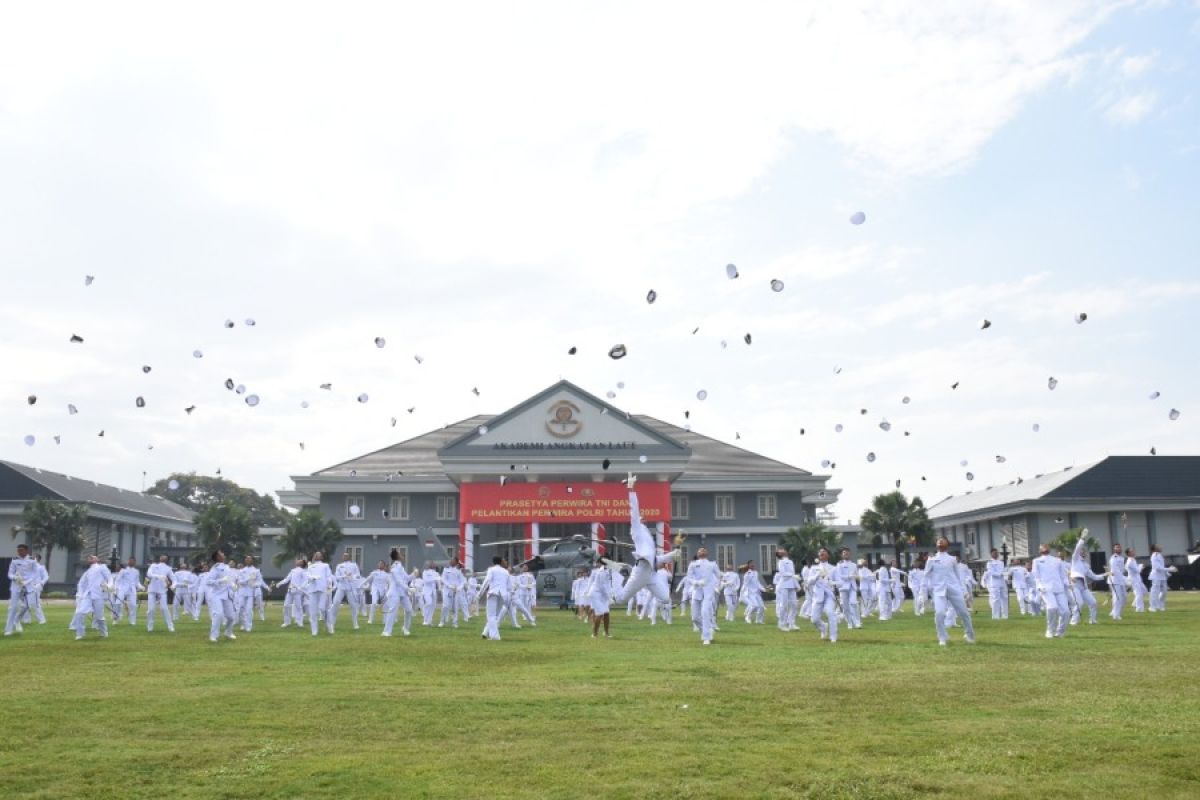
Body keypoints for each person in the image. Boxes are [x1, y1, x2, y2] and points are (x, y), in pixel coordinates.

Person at [612, 473, 679, 608]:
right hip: (641, 571)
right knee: (620, 600)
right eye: (641, 517)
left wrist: (671, 556)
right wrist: (631, 489)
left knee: (666, 598)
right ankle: (615, 577)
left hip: (651, 573)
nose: (643, 517)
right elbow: (634, 509)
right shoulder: (636, 528)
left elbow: (655, 560)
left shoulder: (647, 536)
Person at [924, 538, 975, 647]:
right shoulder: (931, 560)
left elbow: (958, 576)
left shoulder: (952, 559)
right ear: (936, 544)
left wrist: (964, 591)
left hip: (954, 589)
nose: (940, 542)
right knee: (939, 613)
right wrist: (923, 592)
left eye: (943, 540)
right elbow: (926, 576)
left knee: (964, 613)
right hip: (938, 590)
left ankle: (970, 635)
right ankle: (942, 637)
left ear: (947, 545)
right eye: (938, 540)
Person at [69, 555, 113, 640]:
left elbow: (110, 578)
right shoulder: (88, 572)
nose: (90, 558)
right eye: (89, 558)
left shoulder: (102, 567)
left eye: (92, 557)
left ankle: (104, 633)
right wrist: (80, 594)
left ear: (97, 559)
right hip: (88, 595)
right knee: (79, 613)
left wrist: (108, 586)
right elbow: (81, 584)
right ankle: (80, 634)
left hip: (98, 595)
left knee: (99, 617)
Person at [1031, 544, 1070, 639]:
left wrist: (1068, 583)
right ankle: (1050, 630)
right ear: (1039, 551)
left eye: (1046, 547)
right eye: (1042, 548)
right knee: (1052, 608)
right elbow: (1036, 576)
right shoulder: (1036, 561)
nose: (1045, 549)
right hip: (1046, 589)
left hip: (1058, 588)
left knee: (1066, 612)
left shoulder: (1057, 561)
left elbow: (1063, 576)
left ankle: (1060, 632)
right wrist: (1039, 586)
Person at [685, 547, 722, 645]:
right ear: (697, 554)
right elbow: (689, 578)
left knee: (705, 612)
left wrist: (718, 586)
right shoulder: (693, 564)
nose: (702, 551)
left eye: (704, 550)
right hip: (697, 591)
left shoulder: (712, 564)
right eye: (700, 550)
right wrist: (697, 582)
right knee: (695, 617)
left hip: (708, 592)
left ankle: (706, 637)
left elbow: (719, 576)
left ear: (707, 553)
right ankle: (707, 631)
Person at [1068, 529, 1104, 625]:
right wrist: (1082, 538)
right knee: (1079, 603)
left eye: (1085, 551)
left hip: (1083, 586)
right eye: (1082, 551)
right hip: (1074, 584)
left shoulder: (1086, 565)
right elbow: (1077, 548)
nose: (1083, 552)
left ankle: (1092, 620)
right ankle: (1074, 621)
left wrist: (1106, 574)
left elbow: (1095, 577)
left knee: (1093, 603)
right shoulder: (1075, 559)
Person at [202, 550, 238, 643]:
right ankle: (213, 635)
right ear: (218, 557)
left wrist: (233, 585)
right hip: (216, 595)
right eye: (221, 553)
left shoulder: (226, 567)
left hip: (227, 595)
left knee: (231, 617)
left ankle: (228, 632)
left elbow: (228, 579)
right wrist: (221, 580)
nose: (223, 554)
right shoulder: (215, 568)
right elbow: (208, 582)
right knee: (218, 615)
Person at [804, 549, 838, 643]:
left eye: (824, 551)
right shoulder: (814, 568)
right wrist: (816, 576)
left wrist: (833, 582)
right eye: (820, 552)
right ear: (818, 555)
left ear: (828, 555)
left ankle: (833, 636)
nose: (821, 553)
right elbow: (809, 582)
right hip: (817, 595)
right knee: (814, 619)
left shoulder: (833, 568)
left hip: (829, 595)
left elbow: (840, 582)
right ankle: (823, 627)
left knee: (830, 613)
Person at [5, 543, 39, 635]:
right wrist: (16, 578)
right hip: (16, 586)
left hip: (28, 586)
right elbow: (10, 574)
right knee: (13, 607)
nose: (19, 552)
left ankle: (17, 620)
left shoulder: (32, 560)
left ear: (26, 551)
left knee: (27, 606)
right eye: (18, 550)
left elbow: (35, 574)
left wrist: (27, 582)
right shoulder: (14, 560)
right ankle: (8, 630)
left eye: (21, 550)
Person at [476, 555, 511, 641]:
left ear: (493, 562)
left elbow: (487, 581)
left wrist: (480, 594)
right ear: (500, 562)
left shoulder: (491, 570)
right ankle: (486, 632)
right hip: (503, 594)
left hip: (493, 593)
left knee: (491, 615)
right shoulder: (506, 572)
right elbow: (509, 586)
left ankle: (495, 636)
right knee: (494, 616)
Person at [381, 548, 414, 637]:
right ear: (397, 556)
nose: (402, 554)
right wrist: (408, 589)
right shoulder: (395, 566)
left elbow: (406, 578)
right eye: (400, 553)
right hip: (395, 592)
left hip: (402, 592)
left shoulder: (400, 566)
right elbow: (398, 581)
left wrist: (414, 574)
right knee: (392, 611)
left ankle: (405, 628)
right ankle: (386, 631)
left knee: (409, 610)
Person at [329, 552, 363, 633]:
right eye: (343, 556)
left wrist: (352, 577)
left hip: (350, 587)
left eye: (346, 556)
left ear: (349, 557)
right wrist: (344, 576)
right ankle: (332, 623)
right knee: (336, 602)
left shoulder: (354, 565)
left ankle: (355, 623)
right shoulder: (339, 565)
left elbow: (358, 575)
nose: (345, 557)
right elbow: (336, 577)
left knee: (353, 605)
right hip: (341, 587)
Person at [303, 551, 335, 636]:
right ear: (314, 556)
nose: (317, 556)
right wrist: (312, 578)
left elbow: (329, 576)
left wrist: (328, 586)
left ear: (322, 557)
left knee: (322, 609)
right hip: (313, 590)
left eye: (319, 555)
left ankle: (329, 626)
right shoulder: (311, 566)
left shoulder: (325, 565)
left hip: (323, 589)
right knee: (313, 611)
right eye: (316, 555)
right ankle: (314, 631)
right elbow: (307, 577)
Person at [145, 555, 176, 633]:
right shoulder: (153, 565)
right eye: (162, 556)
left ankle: (170, 626)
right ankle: (150, 627)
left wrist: (173, 586)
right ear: (159, 558)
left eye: (165, 557)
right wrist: (159, 576)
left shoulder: (168, 568)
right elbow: (149, 574)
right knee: (151, 609)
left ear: (167, 559)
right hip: (152, 590)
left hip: (162, 591)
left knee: (164, 609)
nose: (163, 557)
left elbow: (174, 580)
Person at [273, 558, 307, 627]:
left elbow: (305, 581)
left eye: (299, 561)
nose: (297, 561)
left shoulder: (303, 571)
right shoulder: (292, 571)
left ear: (302, 564)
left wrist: (301, 587)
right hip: (290, 590)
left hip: (297, 591)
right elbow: (287, 579)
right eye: (297, 560)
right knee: (286, 606)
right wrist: (279, 583)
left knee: (298, 607)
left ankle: (299, 622)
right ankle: (287, 622)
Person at [833, 549, 861, 630]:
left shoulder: (854, 565)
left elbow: (856, 575)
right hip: (843, 587)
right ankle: (849, 622)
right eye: (844, 553)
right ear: (842, 555)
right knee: (845, 607)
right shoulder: (839, 565)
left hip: (852, 586)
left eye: (847, 553)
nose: (846, 554)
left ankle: (857, 622)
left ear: (850, 554)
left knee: (853, 603)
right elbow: (840, 576)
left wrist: (857, 577)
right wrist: (849, 576)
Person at [236, 556, 264, 632]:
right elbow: (239, 581)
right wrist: (247, 579)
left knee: (249, 609)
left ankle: (248, 626)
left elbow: (260, 581)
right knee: (240, 609)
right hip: (242, 592)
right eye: (246, 559)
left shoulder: (256, 571)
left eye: (249, 559)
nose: (247, 560)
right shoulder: (241, 570)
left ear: (252, 560)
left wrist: (254, 584)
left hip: (250, 592)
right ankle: (243, 624)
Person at [774, 548, 799, 631]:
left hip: (791, 585)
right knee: (784, 605)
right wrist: (792, 575)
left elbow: (793, 574)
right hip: (784, 585)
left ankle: (791, 623)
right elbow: (783, 573)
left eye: (783, 549)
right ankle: (781, 624)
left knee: (794, 605)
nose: (784, 550)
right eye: (781, 551)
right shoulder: (781, 562)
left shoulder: (790, 561)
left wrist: (796, 585)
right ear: (780, 555)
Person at [586, 562, 613, 638]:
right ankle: (594, 634)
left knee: (607, 613)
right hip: (596, 593)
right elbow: (602, 586)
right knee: (600, 613)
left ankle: (606, 633)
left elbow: (608, 584)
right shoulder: (599, 572)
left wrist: (611, 594)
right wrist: (609, 597)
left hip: (603, 594)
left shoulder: (607, 571)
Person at [114, 557, 144, 625]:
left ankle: (132, 621)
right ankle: (116, 619)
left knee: (133, 605)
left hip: (132, 590)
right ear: (128, 562)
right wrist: (116, 589)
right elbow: (117, 580)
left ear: (135, 562)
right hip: (122, 589)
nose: (131, 562)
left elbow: (137, 582)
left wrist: (142, 587)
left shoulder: (136, 571)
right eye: (130, 561)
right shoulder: (123, 570)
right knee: (118, 603)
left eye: (133, 561)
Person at [983, 549, 1009, 620]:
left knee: (1004, 598)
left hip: (1002, 581)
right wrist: (1000, 574)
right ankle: (995, 616)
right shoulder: (989, 563)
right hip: (994, 582)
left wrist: (1005, 574)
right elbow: (991, 572)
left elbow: (1004, 571)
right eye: (994, 553)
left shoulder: (1001, 562)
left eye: (997, 553)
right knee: (996, 599)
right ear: (991, 554)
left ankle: (1005, 616)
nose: (996, 554)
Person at [439, 560, 466, 628]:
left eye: (453, 561)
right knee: (445, 605)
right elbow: (443, 579)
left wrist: (459, 588)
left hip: (455, 591)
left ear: (456, 563)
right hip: (447, 590)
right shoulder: (446, 570)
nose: (451, 562)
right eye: (451, 561)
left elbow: (463, 581)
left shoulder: (458, 571)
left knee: (455, 607)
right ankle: (442, 621)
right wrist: (449, 586)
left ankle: (455, 622)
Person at [364, 560, 390, 624]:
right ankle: (370, 620)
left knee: (385, 606)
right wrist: (361, 586)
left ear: (384, 566)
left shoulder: (387, 575)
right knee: (374, 604)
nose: (380, 565)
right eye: (379, 564)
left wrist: (389, 591)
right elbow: (368, 579)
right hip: (375, 590)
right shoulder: (374, 572)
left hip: (384, 591)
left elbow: (390, 583)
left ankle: (384, 621)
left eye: (381, 564)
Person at [1107, 544, 1127, 621]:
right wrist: (1124, 578)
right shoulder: (1113, 558)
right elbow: (1115, 570)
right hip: (1114, 580)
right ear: (1114, 549)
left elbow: (1122, 569)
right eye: (1117, 547)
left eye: (1119, 547)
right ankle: (1116, 615)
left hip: (1120, 580)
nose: (1119, 548)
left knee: (1124, 597)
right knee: (1117, 597)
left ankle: (1114, 611)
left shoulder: (1121, 558)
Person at [1148, 544, 1169, 611]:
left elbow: (1162, 565)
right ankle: (1152, 606)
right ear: (1155, 549)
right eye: (1158, 546)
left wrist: (1167, 573)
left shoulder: (1159, 555)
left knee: (1164, 591)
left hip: (1162, 576)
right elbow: (1157, 567)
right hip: (1156, 576)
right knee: (1155, 591)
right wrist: (1169, 569)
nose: (1160, 547)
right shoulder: (1154, 556)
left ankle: (1160, 605)